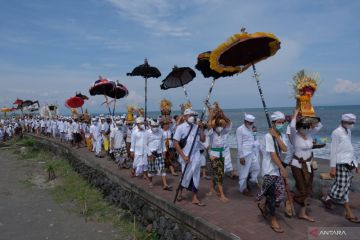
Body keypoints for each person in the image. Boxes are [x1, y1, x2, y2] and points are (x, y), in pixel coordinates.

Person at [322, 113, 360, 223]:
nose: (351, 124)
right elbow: (333, 151)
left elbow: (350, 149)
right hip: (340, 164)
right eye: (350, 122)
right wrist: (332, 167)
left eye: (352, 123)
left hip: (349, 164)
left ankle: (347, 212)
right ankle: (329, 197)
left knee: (345, 188)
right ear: (343, 121)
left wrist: (356, 164)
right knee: (342, 187)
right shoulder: (336, 132)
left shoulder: (348, 131)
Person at [256, 111, 288, 233]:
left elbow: (284, 149)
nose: (281, 124)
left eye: (282, 122)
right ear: (273, 123)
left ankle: (264, 206)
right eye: (278, 122)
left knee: (280, 195)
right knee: (272, 196)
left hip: (277, 169)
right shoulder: (267, 136)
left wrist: (277, 136)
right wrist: (282, 168)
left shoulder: (280, 135)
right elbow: (273, 155)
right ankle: (273, 221)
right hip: (269, 170)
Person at [289, 109, 322, 222]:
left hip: (309, 165)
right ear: (298, 126)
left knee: (307, 189)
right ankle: (290, 200)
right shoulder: (294, 136)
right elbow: (292, 126)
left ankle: (302, 213)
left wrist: (310, 113)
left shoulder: (309, 134)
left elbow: (318, 126)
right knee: (303, 190)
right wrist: (295, 114)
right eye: (303, 126)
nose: (306, 128)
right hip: (297, 165)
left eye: (307, 126)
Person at [173, 108, 206, 206]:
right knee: (186, 175)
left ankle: (195, 198)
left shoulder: (196, 127)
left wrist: (201, 129)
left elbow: (203, 140)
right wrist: (183, 156)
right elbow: (175, 143)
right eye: (190, 115)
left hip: (196, 156)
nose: (192, 117)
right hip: (186, 156)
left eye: (193, 115)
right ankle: (180, 192)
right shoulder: (180, 128)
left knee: (196, 176)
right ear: (185, 116)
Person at [207, 105, 232, 203]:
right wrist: (211, 114)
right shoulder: (210, 131)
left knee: (216, 173)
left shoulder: (223, 131)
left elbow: (229, 122)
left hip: (222, 153)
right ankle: (221, 195)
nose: (219, 127)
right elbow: (210, 124)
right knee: (219, 174)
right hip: (214, 154)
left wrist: (221, 113)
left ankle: (211, 189)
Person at [146, 119, 172, 190]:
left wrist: (164, 151)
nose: (155, 127)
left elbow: (162, 142)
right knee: (151, 169)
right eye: (154, 126)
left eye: (156, 126)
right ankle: (150, 182)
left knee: (162, 169)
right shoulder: (147, 133)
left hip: (159, 152)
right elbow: (145, 145)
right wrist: (149, 154)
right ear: (150, 126)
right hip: (151, 153)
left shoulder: (161, 132)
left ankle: (165, 184)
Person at [236, 113, 257, 196]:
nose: (250, 124)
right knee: (244, 173)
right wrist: (241, 157)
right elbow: (239, 143)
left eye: (252, 123)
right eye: (249, 123)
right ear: (245, 121)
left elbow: (252, 140)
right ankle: (243, 189)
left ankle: (249, 182)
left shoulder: (251, 128)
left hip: (251, 153)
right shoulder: (240, 129)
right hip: (244, 154)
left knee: (256, 168)